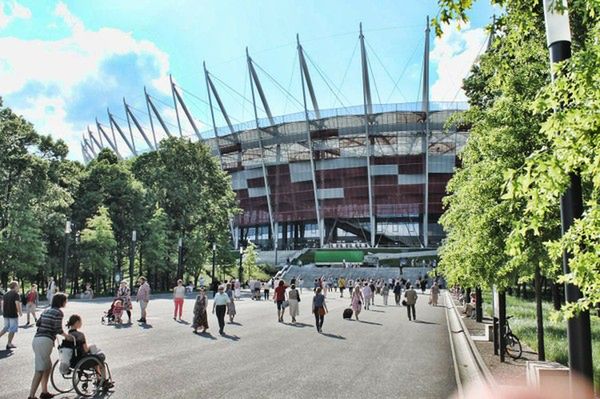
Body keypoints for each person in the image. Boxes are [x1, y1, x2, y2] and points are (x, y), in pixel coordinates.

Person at [29, 292, 71, 399]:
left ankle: (44, 392)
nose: (66, 302)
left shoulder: (46, 310)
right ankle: (31, 396)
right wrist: (67, 336)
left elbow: (38, 323)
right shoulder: (58, 312)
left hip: (37, 339)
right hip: (45, 341)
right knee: (39, 369)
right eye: (65, 300)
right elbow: (58, 329)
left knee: (47, 366)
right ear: (61, 301)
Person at [62, 314, 112, 389]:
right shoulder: (80, 335)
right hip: (82, 361)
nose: (81, 323)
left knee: (94, 355)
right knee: (99, 357)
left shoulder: (68, 336)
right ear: (77, 322)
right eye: (80, 322)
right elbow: (85, 349)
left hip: (72, 362)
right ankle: (103, 380)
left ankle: (99, 379)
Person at [1, 281, 22, 350]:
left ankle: (9, 343)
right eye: (18, 285)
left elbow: (2, 304)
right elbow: (17, 304)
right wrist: (20, 312)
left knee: (6, 327)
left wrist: (3, 312)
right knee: (12, 329)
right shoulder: (16, 294)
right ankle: (9, 344)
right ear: (15, 286)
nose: (18, 287)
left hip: (6, 314)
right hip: (13, 314)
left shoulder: (6, 294)